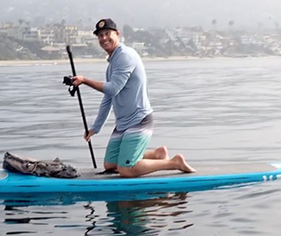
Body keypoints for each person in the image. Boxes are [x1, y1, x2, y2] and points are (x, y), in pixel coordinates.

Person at [70, 18, 195, 177]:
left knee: (126, 170)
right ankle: (157, 154)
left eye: (107, 34)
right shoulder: (112, 65)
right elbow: (108, 98)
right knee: (110, 165)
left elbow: (113, 88)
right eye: (100, 35)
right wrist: (95, 128)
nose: (103, 38)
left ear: (117, 34)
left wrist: (85, 80)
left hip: (138, 120)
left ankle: (174, 163)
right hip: (123, 124)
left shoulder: (125, 56)